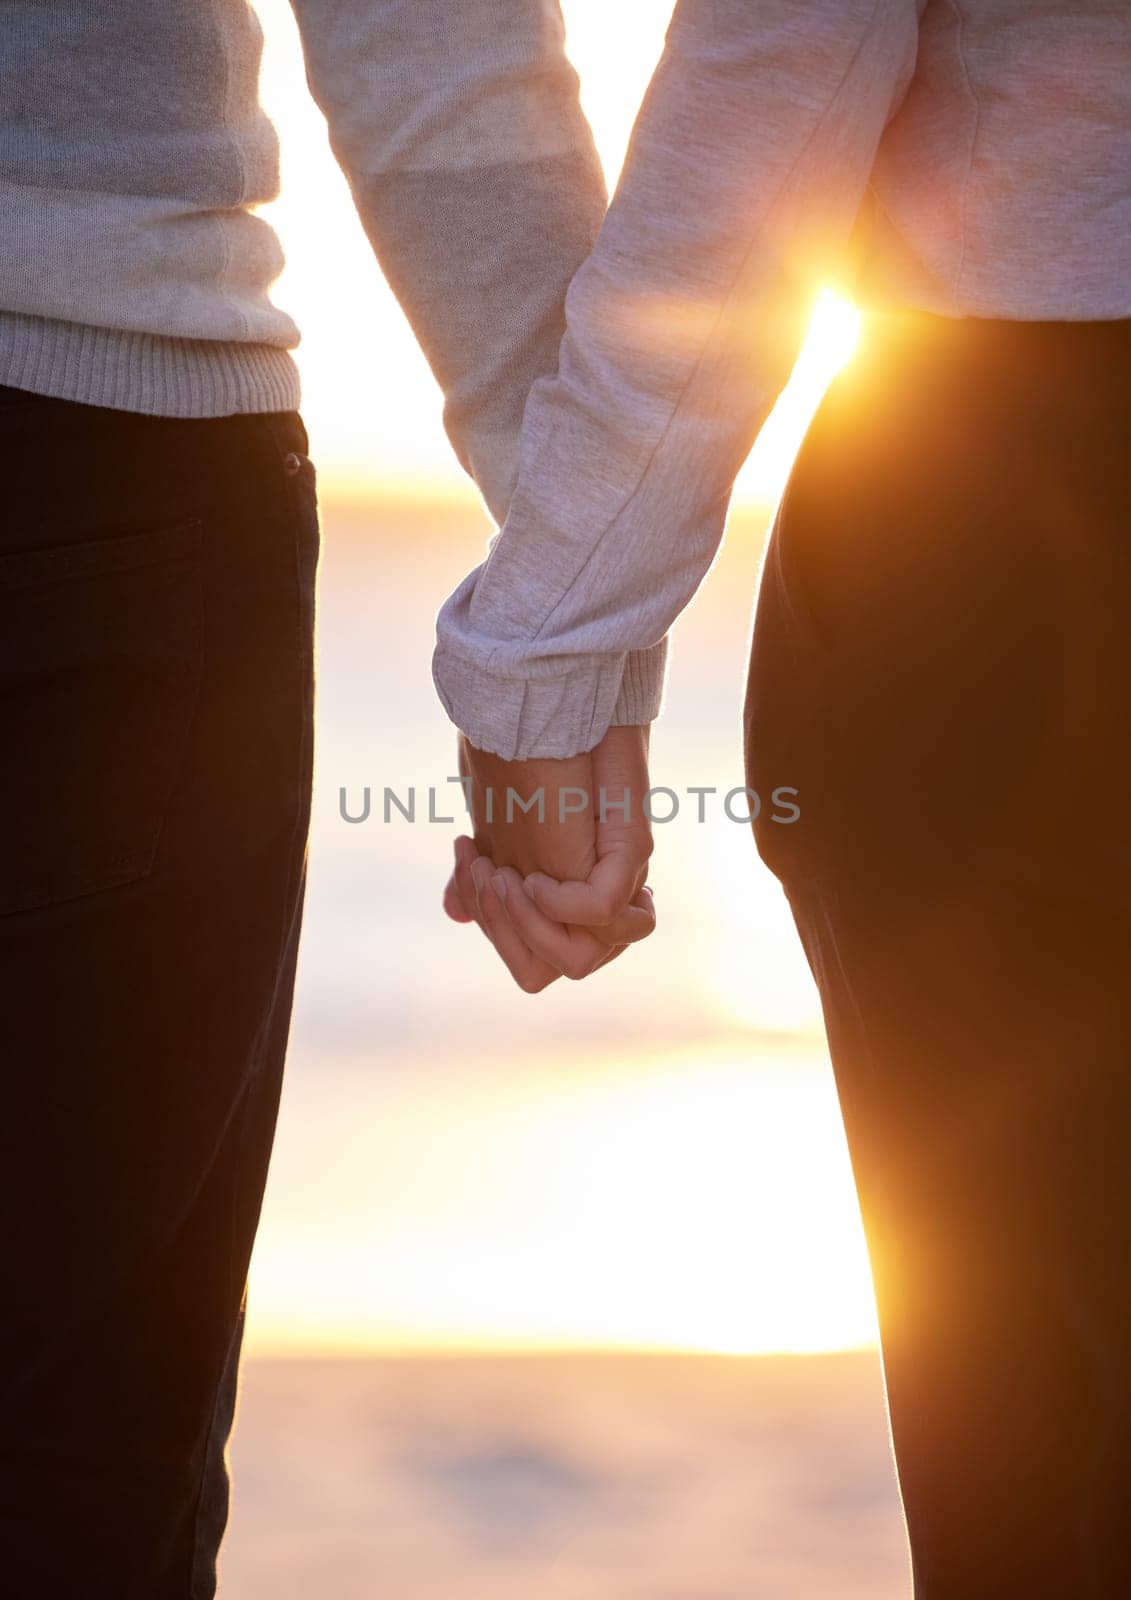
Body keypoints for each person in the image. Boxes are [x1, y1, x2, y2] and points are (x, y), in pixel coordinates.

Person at [439, 2, 1131, 1596]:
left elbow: (781, 80)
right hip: (1001, 504)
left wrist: (551, 649)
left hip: (1011, 512)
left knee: (1049, 1482)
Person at [0, 2, 634, 1593]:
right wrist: (568, 625)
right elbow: (428, 41)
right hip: (101, 439)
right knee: (75, 1469)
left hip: (107, 474)